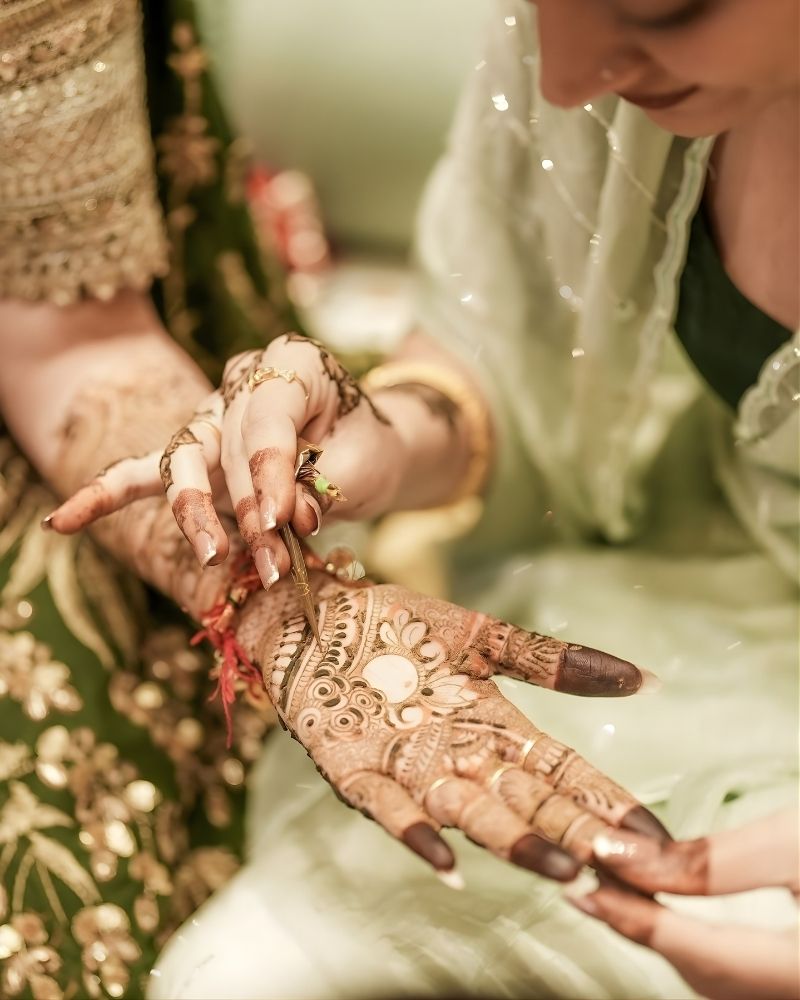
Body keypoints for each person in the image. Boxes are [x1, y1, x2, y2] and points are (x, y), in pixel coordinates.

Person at [60, 0, 799, 997]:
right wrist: (382, 440)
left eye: (657, 7)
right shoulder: (590, 53)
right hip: (676, 617)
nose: (565, 79)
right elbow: (508, 355)